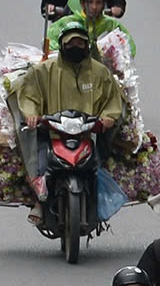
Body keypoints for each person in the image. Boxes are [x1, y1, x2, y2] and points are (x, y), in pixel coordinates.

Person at [17, 19, 124, 210]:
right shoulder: (44, 70)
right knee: (37, 158)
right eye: (71, 43)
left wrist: (108, 117)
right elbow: (29, 95)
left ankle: (100, 191)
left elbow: (112, 99)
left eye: (80, 43)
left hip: (87, 132)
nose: (76, 47)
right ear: (63, 45)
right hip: (51, 133)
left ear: (87, 45)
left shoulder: (100, 73)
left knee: (102, 159)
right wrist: (32, 114)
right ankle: (39, 200)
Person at [63, 0, 134, 56]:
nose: (94, 7)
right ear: (82, 3)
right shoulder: (67, 23)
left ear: (103, 4)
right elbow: (52, 46)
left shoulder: (112, 24)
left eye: (98, 2)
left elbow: (128, 47)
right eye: (90, 2)